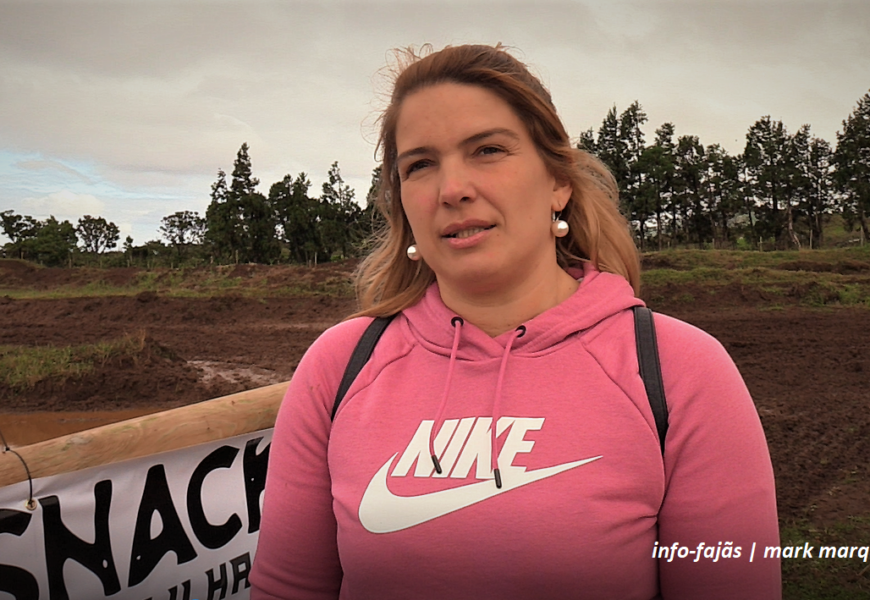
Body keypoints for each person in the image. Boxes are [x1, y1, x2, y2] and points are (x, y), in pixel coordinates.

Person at [250, 44, 781, 599]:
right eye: (421, 165)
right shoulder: (339, 365)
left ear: (558, 181)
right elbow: (287, 588)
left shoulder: (680, 370)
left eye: (487, 150)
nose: (452, 188)